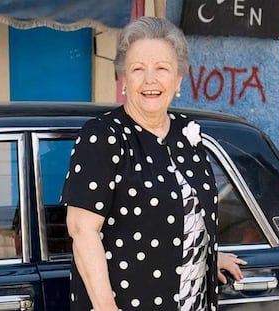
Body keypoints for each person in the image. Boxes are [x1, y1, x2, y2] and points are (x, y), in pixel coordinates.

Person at [62, 16, 246, 311]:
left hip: (190, 301)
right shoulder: (103, 136)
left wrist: (207, 254)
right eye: (138, 69)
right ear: (123, 77)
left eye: (162, 68)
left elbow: (186, 210)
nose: (150, 80)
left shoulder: (187, 134)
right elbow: (82, 231)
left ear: (178, 79)